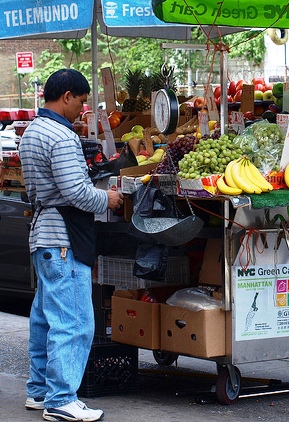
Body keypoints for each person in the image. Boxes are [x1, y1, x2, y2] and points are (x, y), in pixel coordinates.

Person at [19, 68, 123, 422]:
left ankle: (39, 391)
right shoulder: (61, 136)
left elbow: (44, 191)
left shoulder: (33, 130)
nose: (82, 108)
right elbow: (76, 192)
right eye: (80, 101)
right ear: (66, 96)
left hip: (42, 236)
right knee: (75, 321)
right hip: (62, 239)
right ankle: (61, 399)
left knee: (45, 320)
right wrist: (106, 199)